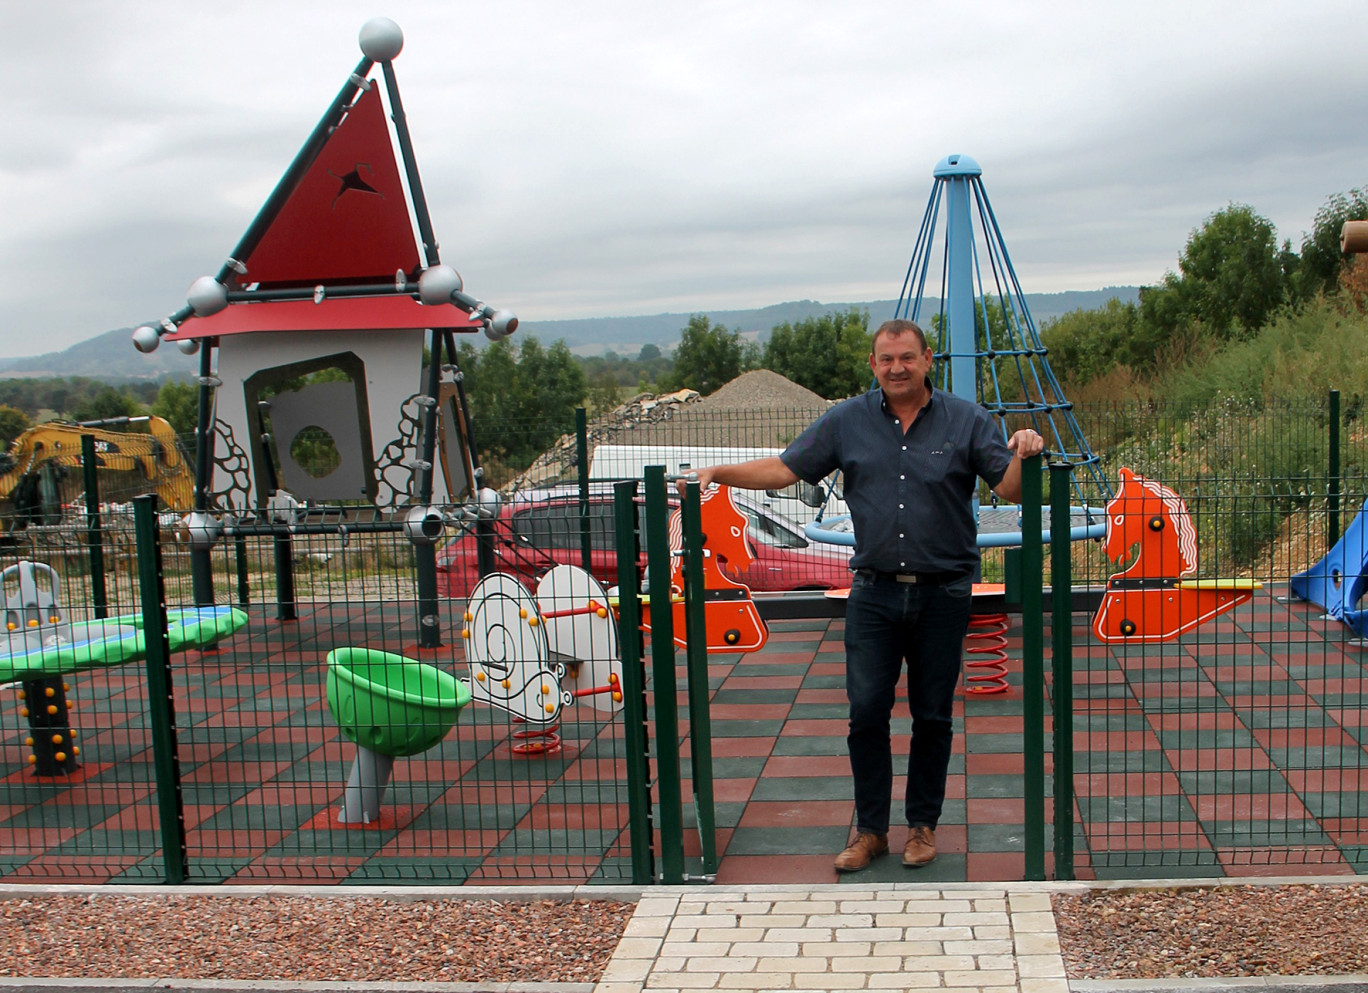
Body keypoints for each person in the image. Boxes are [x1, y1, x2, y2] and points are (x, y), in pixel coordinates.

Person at [682, 319, 1044, 872]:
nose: (896, 367)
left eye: (907, 357)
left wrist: (1024, 450)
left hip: (943, 593)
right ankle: (871, 829)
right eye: (885, 359)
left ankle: (922, 827)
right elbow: (784, 468)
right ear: (873, 365)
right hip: (873, 593)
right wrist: (718, 471)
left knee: (933, 716)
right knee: (866, 713)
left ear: (928, 359)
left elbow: (1009, 487)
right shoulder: (848, 421)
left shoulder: (966, 421)